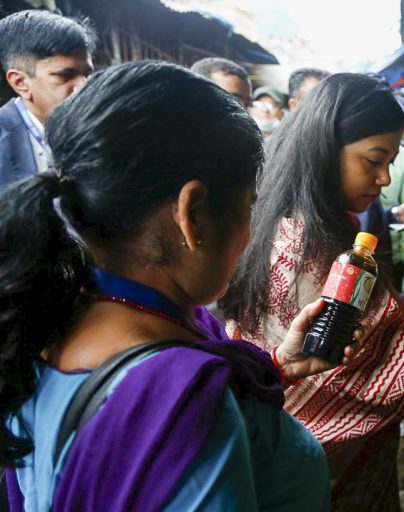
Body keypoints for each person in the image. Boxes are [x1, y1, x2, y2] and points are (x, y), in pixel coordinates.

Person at [0, 61, 360, 511]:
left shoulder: (42, 316)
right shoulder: (182, 410)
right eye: (249, 206)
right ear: (191, 214)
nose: (248, 235)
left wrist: (277, 366)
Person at [221, 73, 404, 511]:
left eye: (390, 160)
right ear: (325, 150)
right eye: (373, 160)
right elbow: (395, 378)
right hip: (320, 476)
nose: (385, 178)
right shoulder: (307, 249)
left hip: (280, 458)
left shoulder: (285, 214)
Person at [0, 10, 95, 190]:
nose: (84, 87)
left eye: (87, 74)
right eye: (65, 76)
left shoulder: (105, 129)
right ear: (21, 83)